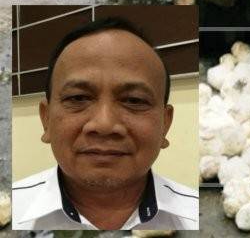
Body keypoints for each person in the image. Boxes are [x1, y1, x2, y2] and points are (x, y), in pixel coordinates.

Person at [12, 17, 198, 230]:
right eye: (78, 98)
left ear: (165, 124)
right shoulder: (14, 209)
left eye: (134, 100)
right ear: (46, 119)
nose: (104, 124)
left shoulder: (196, 213)